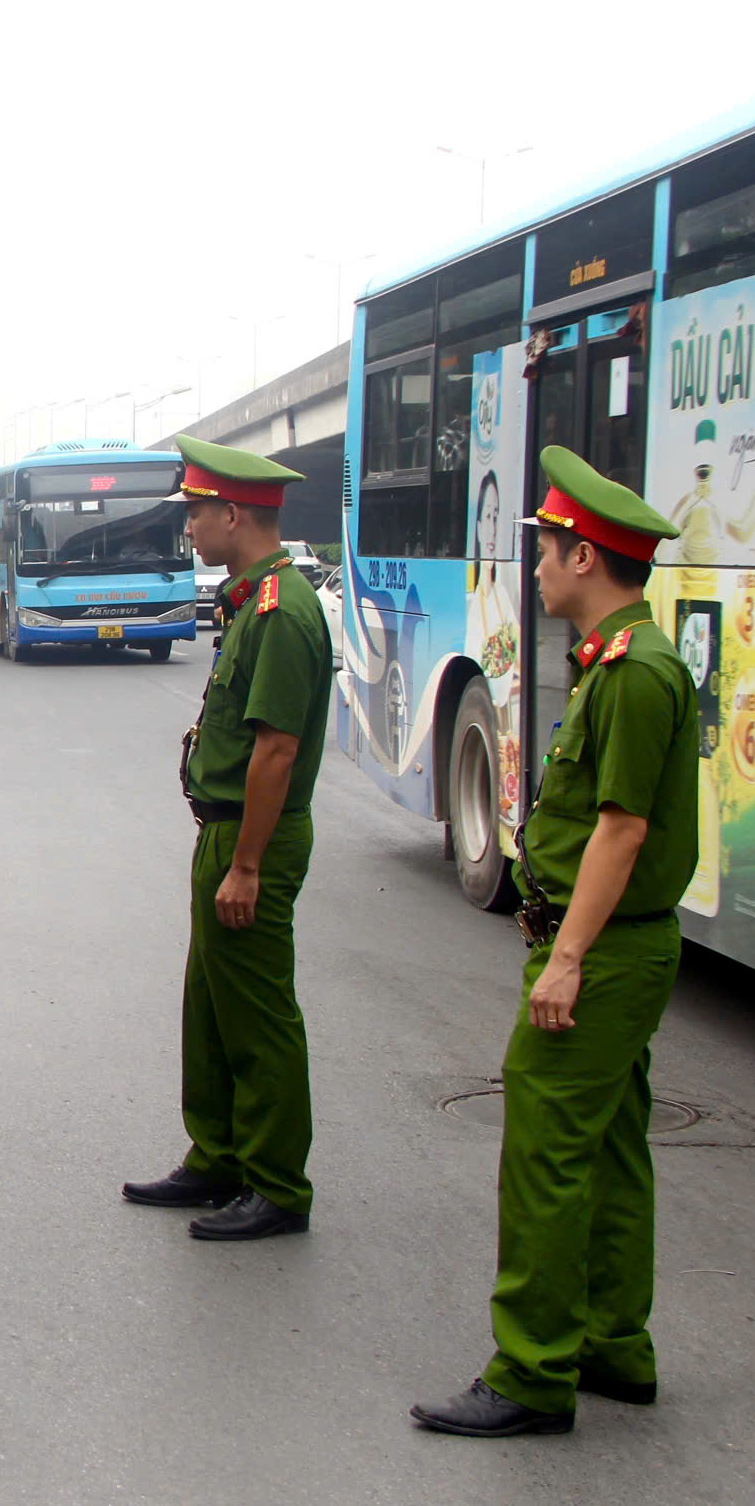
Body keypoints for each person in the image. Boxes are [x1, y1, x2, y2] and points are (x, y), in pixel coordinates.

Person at [413, 447, 697, 1438]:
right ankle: (614, 1344)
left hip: (607, 949)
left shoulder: (635, 674)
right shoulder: (629, 660)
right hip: (619, 945)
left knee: (543, 1152)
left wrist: (567, 956)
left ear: (585, 558)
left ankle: (531, 1370)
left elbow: (621, 829)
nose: (531, 566)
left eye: (543, 549)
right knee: (613, 1146)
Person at [123, 436, 329, 1241]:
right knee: (210, 1005)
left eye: (196, 513)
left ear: (233, 514)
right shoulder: (253, 598)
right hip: (226, 831)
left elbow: (275, 748)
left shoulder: (281, 611)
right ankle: (217, 1156)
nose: (189, 529)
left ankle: (276, 1184)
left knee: (257, 1013)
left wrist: (245, 864)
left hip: (254, 839)